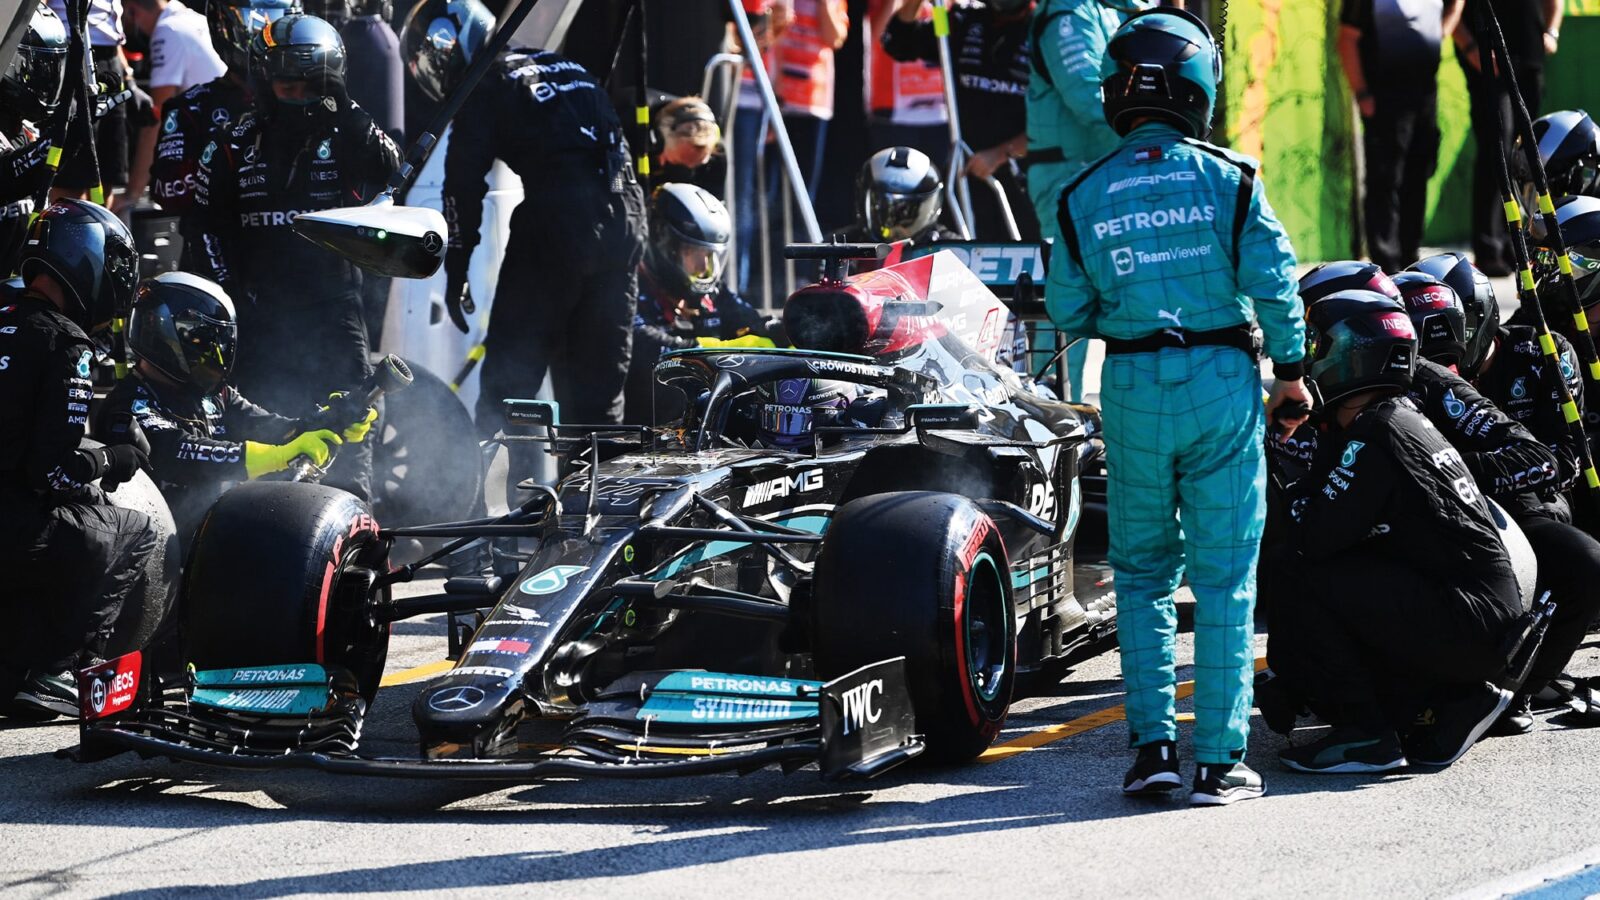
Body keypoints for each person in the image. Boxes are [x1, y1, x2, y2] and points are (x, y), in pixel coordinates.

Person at [1047, 9, 1309, 805]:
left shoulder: (1080, 191)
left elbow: (1066, 309)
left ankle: (1152, 751)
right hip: (1224, 378)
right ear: (1198, 85)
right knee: (1226, 578)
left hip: (1126, 387)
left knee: (1140, 572)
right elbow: (1278, 286)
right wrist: (1291, 372)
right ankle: (1221, 759)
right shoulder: (1233, 178)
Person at [1265, 291, 1521, 772]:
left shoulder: (1374, 435)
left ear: (1351, 355)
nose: (1305, 356)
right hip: (1477, 614)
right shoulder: (1395, 418)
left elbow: (1314, 537)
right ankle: (1449, 700)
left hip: (1468, 621)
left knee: (1296, 570)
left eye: (1314, 344)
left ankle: (1367, 734)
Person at [404, 0, 645, 443]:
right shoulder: (563, 63)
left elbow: (461, 184)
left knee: (509, 382)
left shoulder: (484, 84)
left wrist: (457, 270)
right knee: (599, 390)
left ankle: (502, 499)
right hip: (626, 226)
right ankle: (605, 503)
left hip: (559, 228)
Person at [191, 13, 401, 501]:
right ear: (265, 83)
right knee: (267, 440)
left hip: (334, 311)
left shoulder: (350, 134)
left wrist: (345, 107)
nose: (297, 96)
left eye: (310, 86)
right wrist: (231, 297)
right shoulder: (231, 145)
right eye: (286, 86)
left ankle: (354, 542)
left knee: (353, 436)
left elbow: (391, 170)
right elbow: (202, 231)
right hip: (258, 315)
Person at [1392, 270, 1600, 734]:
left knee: (1584, 561)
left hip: (1525, 507)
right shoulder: (1409, 374)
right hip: (1438, 513)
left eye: (1449, 328)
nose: (1435, 345)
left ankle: (1523, 686)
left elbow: (1559, 460)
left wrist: (1456, 471)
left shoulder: (1541, 354)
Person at [0, 199, 158, 719]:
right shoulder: (67, 345)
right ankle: (60, 671)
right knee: (132, 529)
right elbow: (52, 472)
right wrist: (112, 459)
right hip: (9, 527)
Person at [98, 272, 377, 542]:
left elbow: (273, 428)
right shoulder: (130, 404)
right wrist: (277, 457)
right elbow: (178, 452)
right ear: (162, 332)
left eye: (222, 342)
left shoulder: (215, 395)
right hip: (157, 548)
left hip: (213, 537)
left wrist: (330, 420)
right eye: (203, 341)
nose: (217, 354)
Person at [1026, 0, 1150, 403]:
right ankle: (1052, 411)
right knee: (1067, 304)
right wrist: (1160, 122)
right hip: (1068, 176)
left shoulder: (1118, 9)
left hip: (1104, 171)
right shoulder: (1068, 14)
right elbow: (1088, 98)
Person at [150, 0, 294, 267]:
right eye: (257, 21)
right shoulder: (192, 107)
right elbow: (168, 193)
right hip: (217, 260)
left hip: (296, 267)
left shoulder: (303, 99)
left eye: (275, 19)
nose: (265, 32)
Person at [883, 0, 1039, 241]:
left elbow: (1066, 121)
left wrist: (1002, 152)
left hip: (1028, 180)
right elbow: (899, 42)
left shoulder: (1047, 29)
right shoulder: (962, 22)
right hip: (965, 174)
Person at [627, 183, 773, 425]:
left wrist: (779, 330)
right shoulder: (629, 287)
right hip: (639, 435)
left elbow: (752, 324)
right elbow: (645, 346)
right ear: (664, 244)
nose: (704, 268)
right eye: (695, 253)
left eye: (710, 256)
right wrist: (720, 350)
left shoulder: (711, 291)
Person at [1337, 0, 1462, 272]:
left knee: (1418, 174)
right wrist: (1361, 93)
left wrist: (1440, 31)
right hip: (1384, 98)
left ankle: (1409, 255)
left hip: (1425, 95)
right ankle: (1386, 261)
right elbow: (1347, 39)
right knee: (1385, 179)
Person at [1453, 0, 1562, 275]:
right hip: (1487, 61)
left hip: (1529, 56)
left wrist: (1552, 31)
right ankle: (1489, 247)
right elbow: (1453, 10)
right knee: (1497, 145)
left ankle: (1516, 243)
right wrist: (1470, 47)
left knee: (1524, 154)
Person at [116, 0, 228, 213]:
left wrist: (132, 194)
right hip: (223, 140)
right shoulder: (194, 19)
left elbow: (157, 117)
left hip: (210, 149)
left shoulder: (167, 31)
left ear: (132, 11)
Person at [47, 0, 142, 202]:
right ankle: (68, 231)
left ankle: (102, 232)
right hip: (68, 51)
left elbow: (109, 28)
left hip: (110, 61)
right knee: (72, 178)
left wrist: (128, 76)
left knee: (106, 174)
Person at [0, 4, 69, 270]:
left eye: (54, 68)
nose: (47, 80)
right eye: (39, 69)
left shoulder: (29, 130)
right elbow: (9, 175)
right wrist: (64, 136)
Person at [864, 0, 946, 172]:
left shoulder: (940, 6)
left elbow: (944, 42)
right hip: (895, 115)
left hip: (937, 116)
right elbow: (879, 38)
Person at [651, 96, 727, 199]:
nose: (687, 175)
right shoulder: (629, 131)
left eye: (698, 165)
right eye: (677, 164)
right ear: (659, 140)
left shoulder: (717, 156)